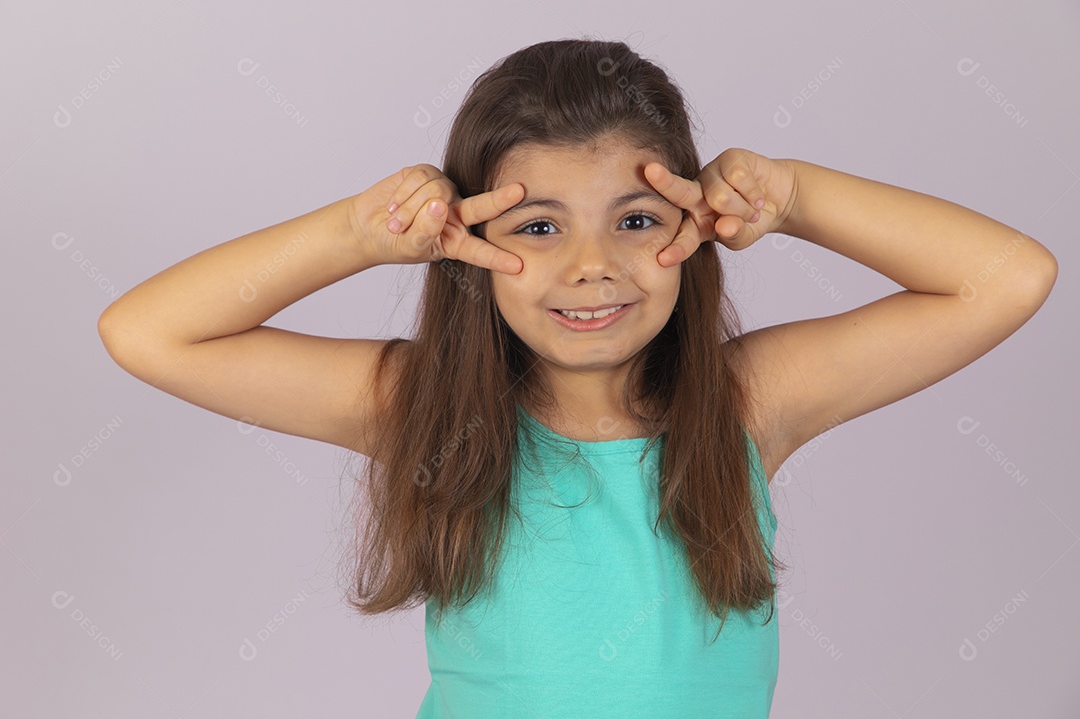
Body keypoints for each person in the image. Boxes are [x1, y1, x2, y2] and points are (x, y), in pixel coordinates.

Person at [97, 38, 1058, 718]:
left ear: (694, 231)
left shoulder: (746, 403)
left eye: (636, 221)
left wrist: (797, 196)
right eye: (540, 225)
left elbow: (1008, 278)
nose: (592, 266)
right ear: (467, 246)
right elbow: (149, 333)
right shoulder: (421, 409)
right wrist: (352, 235)